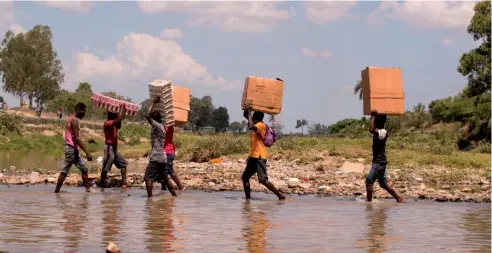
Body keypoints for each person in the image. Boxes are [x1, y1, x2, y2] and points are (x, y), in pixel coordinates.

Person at [241, 109, 285, 200]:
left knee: (263, 180)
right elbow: (246, 115)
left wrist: (249, 113)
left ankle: (280, 195)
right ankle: (247, 200)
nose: (251, 118)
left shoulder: (260, 125)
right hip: (253, 156)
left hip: (260, 157)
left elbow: (250, 126)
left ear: (257, 119)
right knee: (245, 177)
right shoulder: (256, 123)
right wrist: (247, 108)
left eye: (253, 117)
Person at [365, 111, 403, 203]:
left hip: (379, 163)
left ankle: (369, 203)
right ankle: (399, 199)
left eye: (373, 120)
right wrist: (373, 117)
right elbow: (373, 129)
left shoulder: (382, 132)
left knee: (369, 180)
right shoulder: (380, 132)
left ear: (379, 122)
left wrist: (373, 116)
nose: (371, 121)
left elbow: (371, 129)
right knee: (383, 184)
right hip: (380, 162)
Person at [54, 103, 93, 193]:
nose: (84, 114)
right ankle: (56, 192)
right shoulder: (74, 120)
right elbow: (77, 139)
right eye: (84, 112)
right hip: (71, 149)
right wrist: (87, 152)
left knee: (84, 169)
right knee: (64, 171)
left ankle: (88, 191)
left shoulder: (69, 118)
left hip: (73, 149)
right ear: (81, 110)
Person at [144, 97, 176, 198]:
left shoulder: (157, 126)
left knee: (148, 178)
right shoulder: (162, 127)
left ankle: (149, 199)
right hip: (162, 157)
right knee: (164, 179)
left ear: (155, 119)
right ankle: (174, 197)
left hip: (156, 157)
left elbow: (147, 115)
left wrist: (153, 102)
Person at [100, 105, 128, 188]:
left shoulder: (113, 123)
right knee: (106, 168)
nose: (116, 115)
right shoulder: (108, 123)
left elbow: (119, 124)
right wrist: (122, 109)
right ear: (111, 115)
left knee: (123, 164)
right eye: (115, 114)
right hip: (109, 148)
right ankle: (101, 184)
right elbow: (118, 119)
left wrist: (122, 112)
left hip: (114, 148)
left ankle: (124, 183)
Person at [160, 125, 185, 192]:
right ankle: (164, 189)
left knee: (166, 171)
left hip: (168, 152)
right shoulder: (165, 127)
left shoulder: (169, 127)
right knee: (164, 170)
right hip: (165, 151)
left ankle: (180, 187)